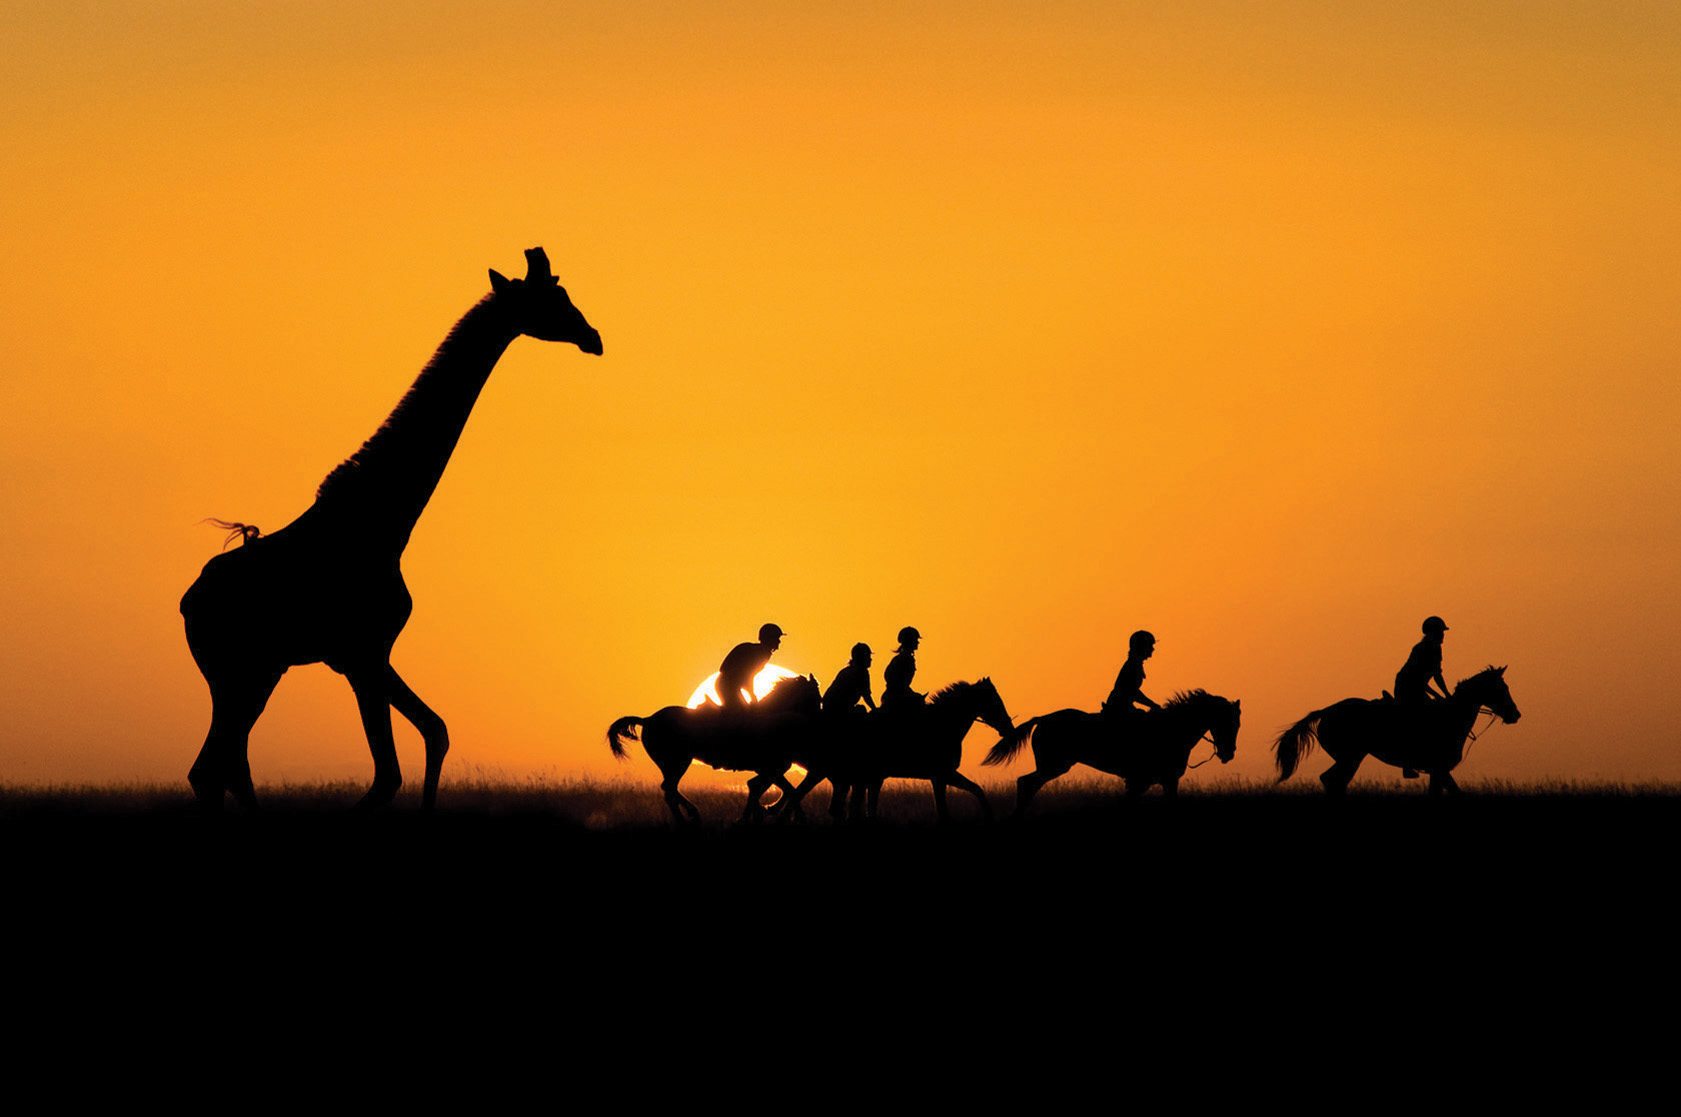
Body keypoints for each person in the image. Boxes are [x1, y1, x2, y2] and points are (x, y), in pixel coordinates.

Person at [1394, 616, 1449, 778]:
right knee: (1416, 718)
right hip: (1407, 687)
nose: (1443, 635)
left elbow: (1437, 674)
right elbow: (1418, 679)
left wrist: (1446, 695)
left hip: (1418, 687)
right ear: (1433, 633)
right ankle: (1407, 764)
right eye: (1440, 632)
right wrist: (1437, 695)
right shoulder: (1420, 649)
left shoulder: (1437, 649)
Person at [716, 623, 783, 710]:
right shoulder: (761, 653)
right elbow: (747, 674)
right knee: (742, 712)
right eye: (777, 638)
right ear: (769, 639)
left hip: (729, 684)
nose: (779, 641)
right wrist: (752, 695)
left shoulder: (758, 651)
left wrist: (751, 694)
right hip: (726, 685)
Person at [1103, 630, 1161, 723]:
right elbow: (1132, 692)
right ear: (1142, 647)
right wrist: (1153, 704)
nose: (1152, 649)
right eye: (1150, 645)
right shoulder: (1133, 665)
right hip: (1119, 708)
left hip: (1123, 706)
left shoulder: (1135, 664)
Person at [823, 643, 877, 715]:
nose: (870, 659)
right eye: (868, 656)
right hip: (839, 709)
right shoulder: (861, 673)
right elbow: (866, 695)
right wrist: (875, 709)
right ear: (862, 658)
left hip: (828, 706)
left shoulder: (845, 671)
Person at [881, 626, 925, 711]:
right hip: (896, 699)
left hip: (892, 696)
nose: (917, 642)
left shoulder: (900, 658)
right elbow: (900, 685)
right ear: (910, 641)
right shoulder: (905, 659)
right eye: (916, 639)